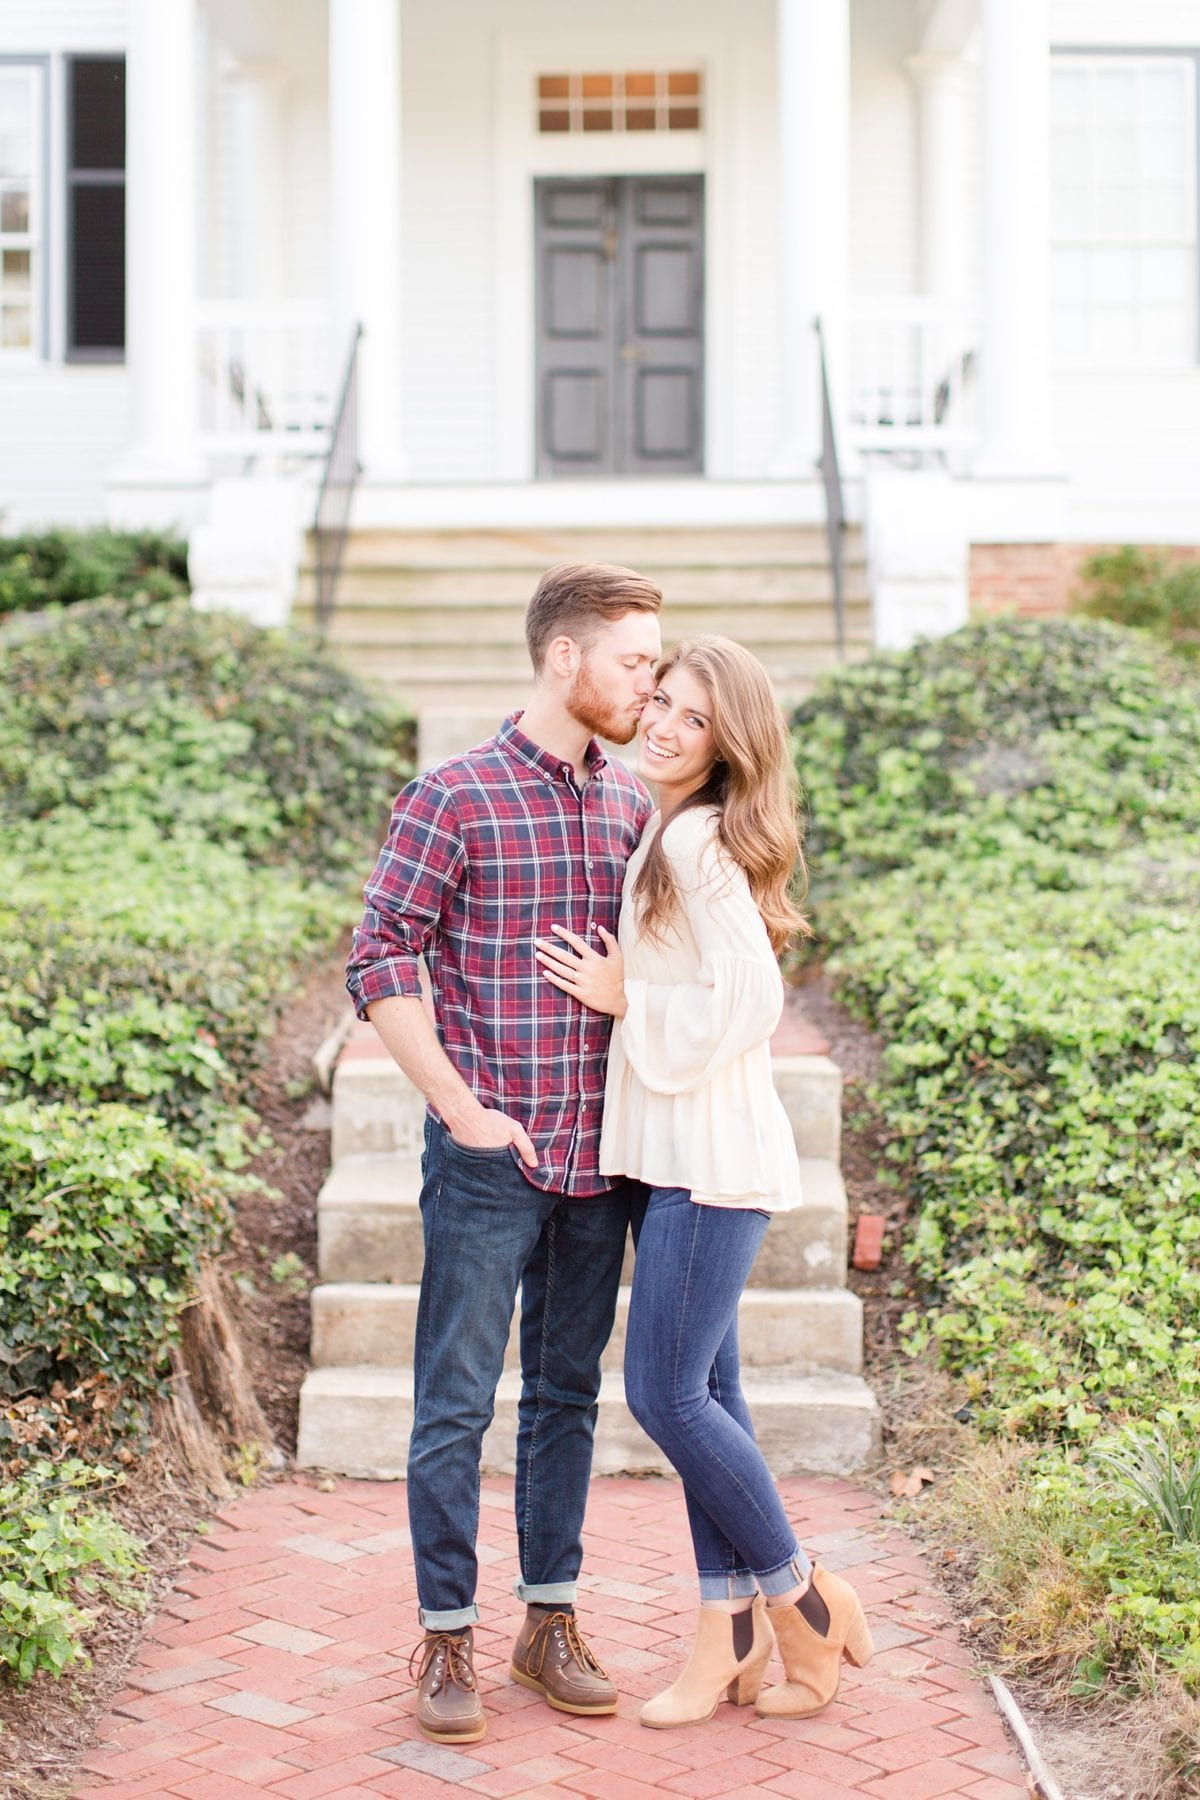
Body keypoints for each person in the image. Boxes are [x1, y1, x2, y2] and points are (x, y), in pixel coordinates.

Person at [345, 563, 662, 1745]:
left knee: (569, 1398)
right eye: (634, 660)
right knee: (456, 1402)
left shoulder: (633, 807)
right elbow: (380, 957)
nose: (650, 682)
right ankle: (443, 1634)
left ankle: (548, 1622)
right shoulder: (453, 797)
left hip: (602, 1163)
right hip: (488, 1160)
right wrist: (460, 1106)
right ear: (564, 658)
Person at [534, 635, 874, 1729]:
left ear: (729, 747)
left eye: (694, 719)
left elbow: (752, 1003)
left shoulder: (696, 843)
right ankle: (728, 1634)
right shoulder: (670, 829)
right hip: (679, 1157)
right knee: (709, 1398)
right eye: (662, 703)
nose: (667, 726)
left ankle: (802, 1596)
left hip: (711, 1166)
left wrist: (628, 998)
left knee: (664, 1395)